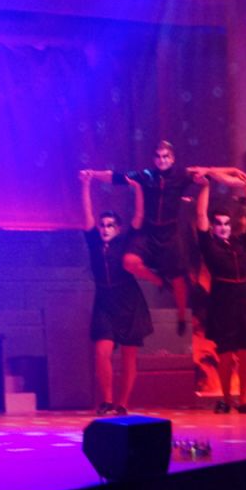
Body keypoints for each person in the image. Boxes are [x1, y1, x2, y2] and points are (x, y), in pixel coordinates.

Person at [85, 142, 246, 336]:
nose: (161, 160)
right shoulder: (146, 176)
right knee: (129, 261)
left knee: (179, 278)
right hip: (148, 232)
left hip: (170, 233)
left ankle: (181, 316)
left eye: (165, 156)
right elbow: (115, 176)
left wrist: (236, 173)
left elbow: (210, 171)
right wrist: (93, 174)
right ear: (154, 158)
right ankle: (160, 282)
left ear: (172, 159)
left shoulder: (181, 175)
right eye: (158, 156)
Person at [79, 170, 152, 416]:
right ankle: (107, 401)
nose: (105, 228)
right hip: (104, 300)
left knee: (129, 355)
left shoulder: (126, 241)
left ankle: (123, 403)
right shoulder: (94, 242)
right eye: (103, 225)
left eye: (110, 225)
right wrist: (86, 185)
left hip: (128, 301)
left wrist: (138, 189)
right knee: (102, 352)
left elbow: (139, 216)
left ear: (118, 229)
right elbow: (87, 214)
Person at [194, 171, 246, 415]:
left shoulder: (239, 242)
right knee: (226, 354)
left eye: (226, 223)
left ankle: (244, 399)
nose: (223, 227)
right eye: (219, 224)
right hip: (223, 301)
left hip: (244, 300)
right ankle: (225, 398)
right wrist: (205, 187)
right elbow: (200, 216)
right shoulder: (209, 245)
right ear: (213, 227)